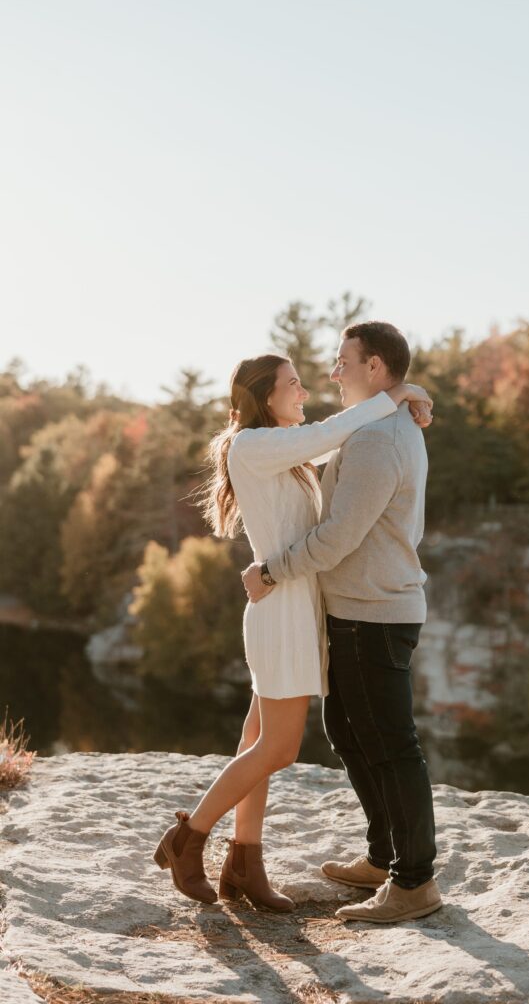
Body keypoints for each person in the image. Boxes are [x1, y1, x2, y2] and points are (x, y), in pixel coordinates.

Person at [152, 350, 432, 909]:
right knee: (278, 748)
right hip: (279, 608)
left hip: (295, 604)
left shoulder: (287, 450)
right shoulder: (253, 446)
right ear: (264, 396)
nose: (305, 393)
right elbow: (339, 428)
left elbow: (342, 434)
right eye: (294, 385)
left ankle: (244, 863)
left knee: (256, 740)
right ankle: (187, 839)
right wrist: (396, 395)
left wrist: (409, 392)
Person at [242, 321, 442, 924]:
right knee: (351, 732)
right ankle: (384, 857)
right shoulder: (383, 424)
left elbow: (336, 538)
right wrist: (409, 393)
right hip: (362, 610)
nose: (332, 373)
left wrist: (272, 571)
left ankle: (415, 882)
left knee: (389, 743)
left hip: (373, 614)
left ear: (375, 368)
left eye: (342, 361)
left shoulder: (379, 439)